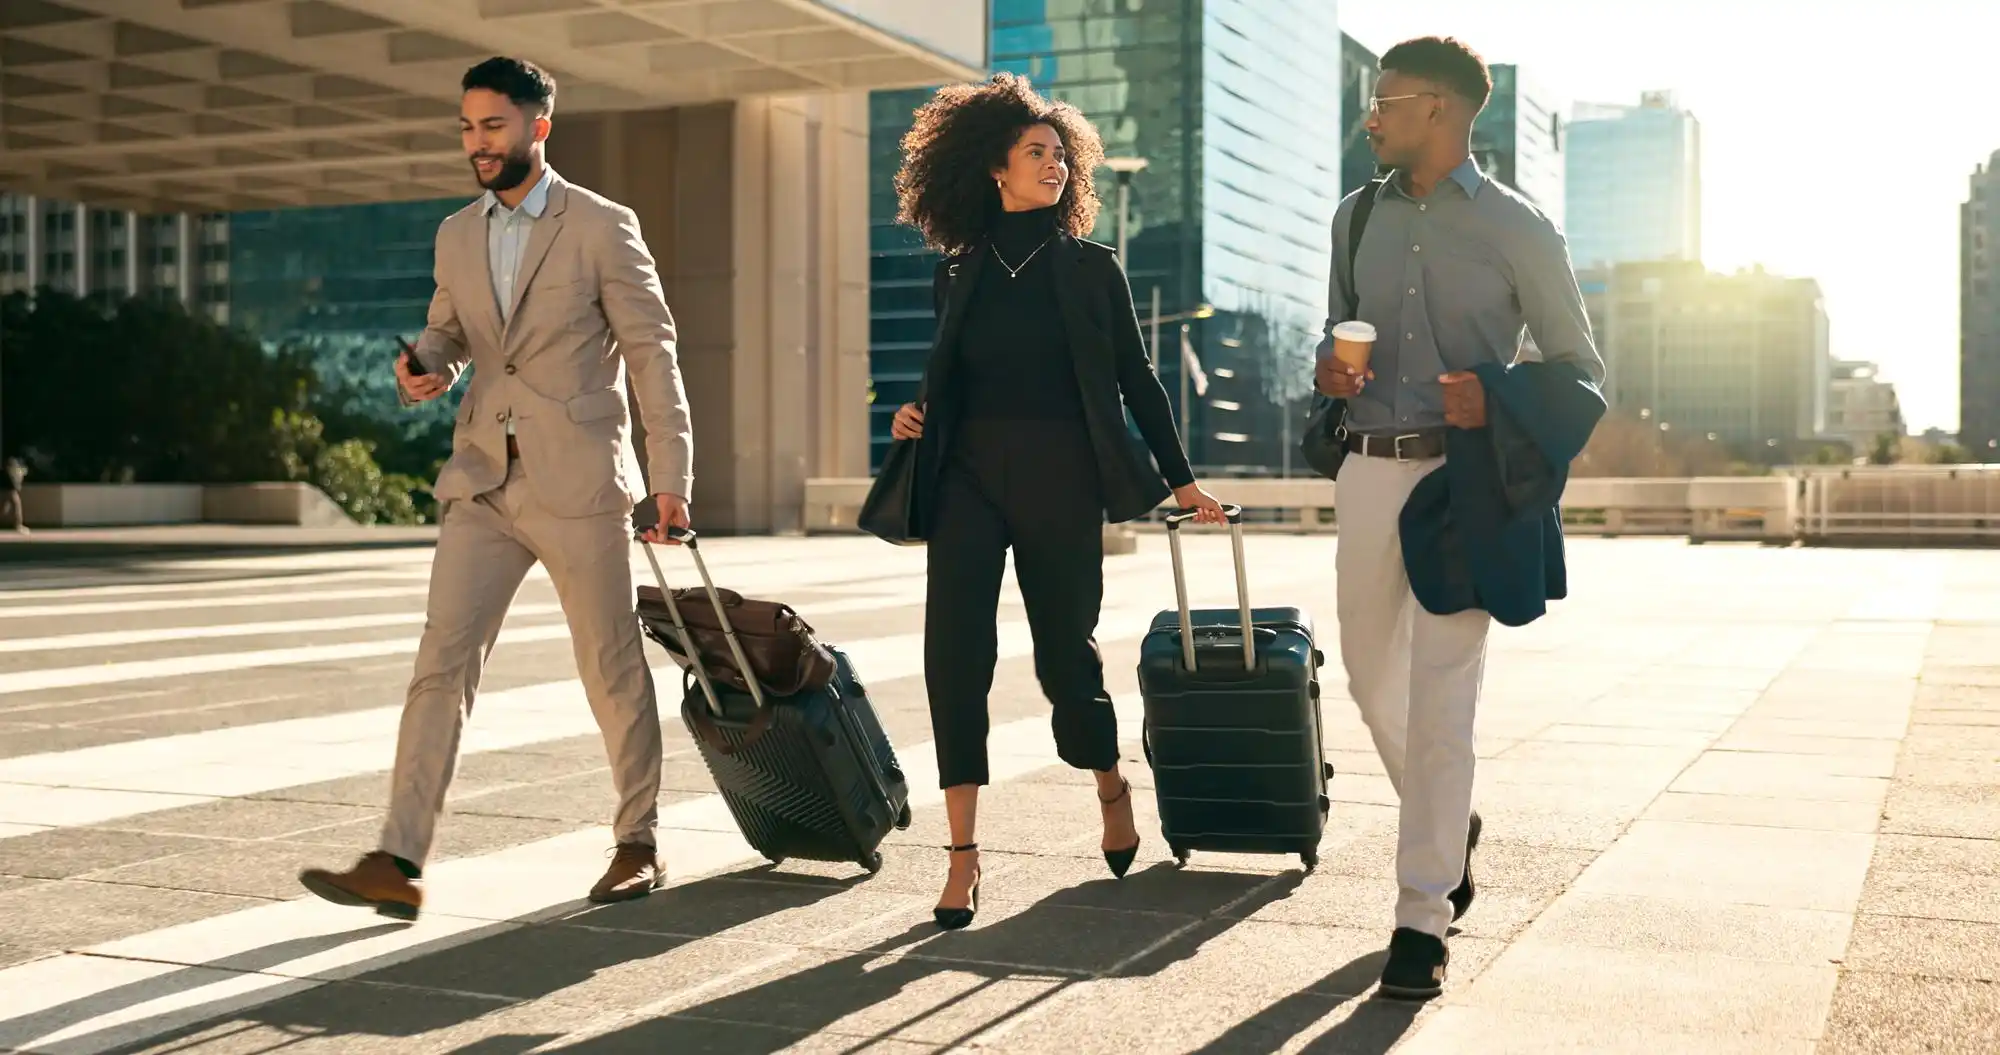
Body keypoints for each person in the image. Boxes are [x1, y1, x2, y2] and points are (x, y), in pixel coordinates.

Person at [299, 56, 695, 921]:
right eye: (468, 127)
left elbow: (650, 353)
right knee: (439, 665)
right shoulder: (454, 233)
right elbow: (452, 333)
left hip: (580, 480)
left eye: (495, 127)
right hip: (483, 477)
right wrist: (426, 368)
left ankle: (638, 841)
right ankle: (398, 859)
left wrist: (671, 480)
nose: (479, 143)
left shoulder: (600, 225)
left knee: (609, 665)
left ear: (537, 128)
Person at [886, 74, 1227, 931]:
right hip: (966, 475)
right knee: (952, 652)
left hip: (1060, 475)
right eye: (1037, 153)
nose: (1057, 166)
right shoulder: (957, 272)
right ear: (993, 167)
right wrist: (913, 409)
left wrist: (1181, 480)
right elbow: (950, 377)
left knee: (1061, 656)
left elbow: (1138, 381)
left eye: (1061, 155)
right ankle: (961, 853)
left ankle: (1109, 777)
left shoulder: (1090, 270)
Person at [1313, 37, 1605, 999]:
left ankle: (1420, 916)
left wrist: (1497, 395)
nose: (1372, 117)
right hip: (1368, 468)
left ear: (1438, 108)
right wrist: (1330, 369)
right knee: (1364, 675)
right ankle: (1453, 818)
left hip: (1465, 480)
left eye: (1384, 102)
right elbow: (1334, 334)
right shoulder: (1355, 216)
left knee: (1444, 695)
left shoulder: (1522, 228)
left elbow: (1580, 374)